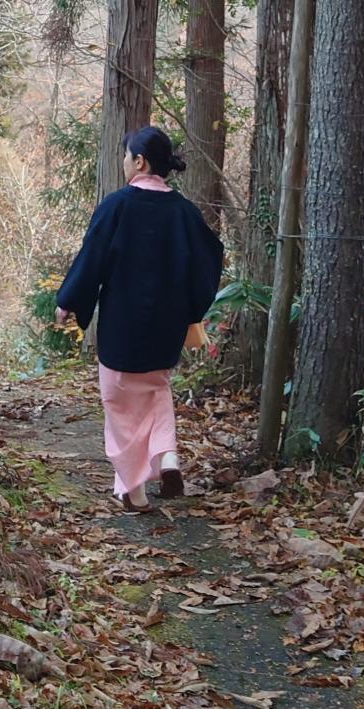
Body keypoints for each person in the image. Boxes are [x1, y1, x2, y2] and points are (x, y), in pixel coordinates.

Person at [54, 125, 224, 511]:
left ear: (140, 161)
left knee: (118, 404)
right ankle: (167, 457)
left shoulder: (117, 205)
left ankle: (135, 494)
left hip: (122, 327)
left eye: (126, 156)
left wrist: (68, 302)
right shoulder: (185, 212)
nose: (124, 162)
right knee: (156, 391)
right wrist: (190, 309)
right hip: (166, 329)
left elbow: (91, 259)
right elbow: (210, 258)